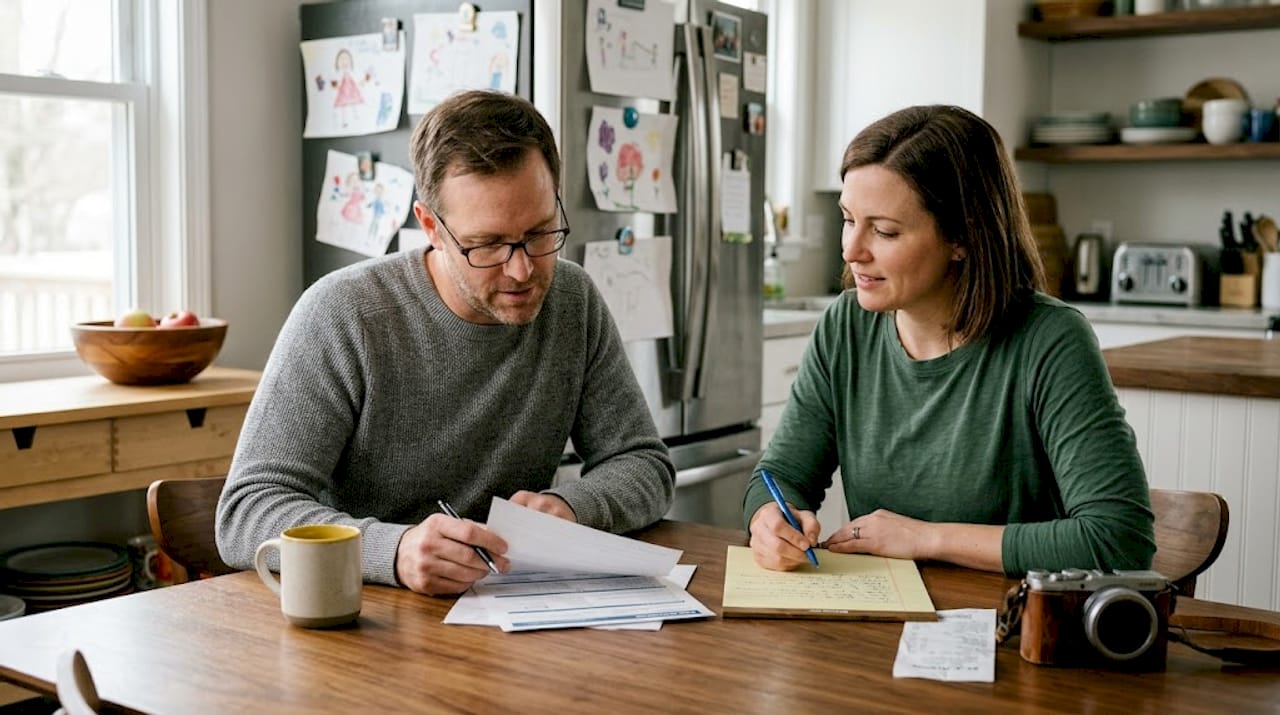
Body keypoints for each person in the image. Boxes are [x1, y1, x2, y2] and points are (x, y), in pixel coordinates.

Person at [217, 90, 675, 595]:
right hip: (366, 624)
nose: (522, 270)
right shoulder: (343, 314)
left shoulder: (573, 301)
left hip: (509, 616)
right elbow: (246, 511)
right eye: (487, 244)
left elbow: (644, 464)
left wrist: (573, 507)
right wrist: (393, 551)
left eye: (540, 233)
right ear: (431, 226)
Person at [744, 105, 1154, 576]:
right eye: (847, 219)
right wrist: (768, 519)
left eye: (884, 231)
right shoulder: (845, 326)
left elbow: (1119, 539)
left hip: (1013, 628)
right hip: (879, 624)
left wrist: (924, 537)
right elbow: (781, 477)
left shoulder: (1050, 340)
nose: (852, 250)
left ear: (961, 237)